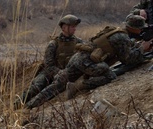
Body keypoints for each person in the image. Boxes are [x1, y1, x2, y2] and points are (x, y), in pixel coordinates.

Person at [25, 15, 153, 109]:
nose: (142, 31)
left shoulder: (117, 31)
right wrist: (142, 48)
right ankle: (76, 86)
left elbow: (122, 47)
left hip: (78, 59)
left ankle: (28, 106)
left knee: (56, 85)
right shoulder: (122, 37)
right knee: (110, 75)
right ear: (135, 28)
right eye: (141, 28)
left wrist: (137, 46)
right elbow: (127, 59)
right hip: (86, 63)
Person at [17, 15, 82, 106]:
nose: (75, 29)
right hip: (50, 73)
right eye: (72, 27)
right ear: (64, 28)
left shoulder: (79, 43)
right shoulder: (54, 44)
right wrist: (59, 72)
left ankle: (30, 106)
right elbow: (49, 65)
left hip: (66, 75)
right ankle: (16, 105)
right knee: (35, 88)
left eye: (75, 27)